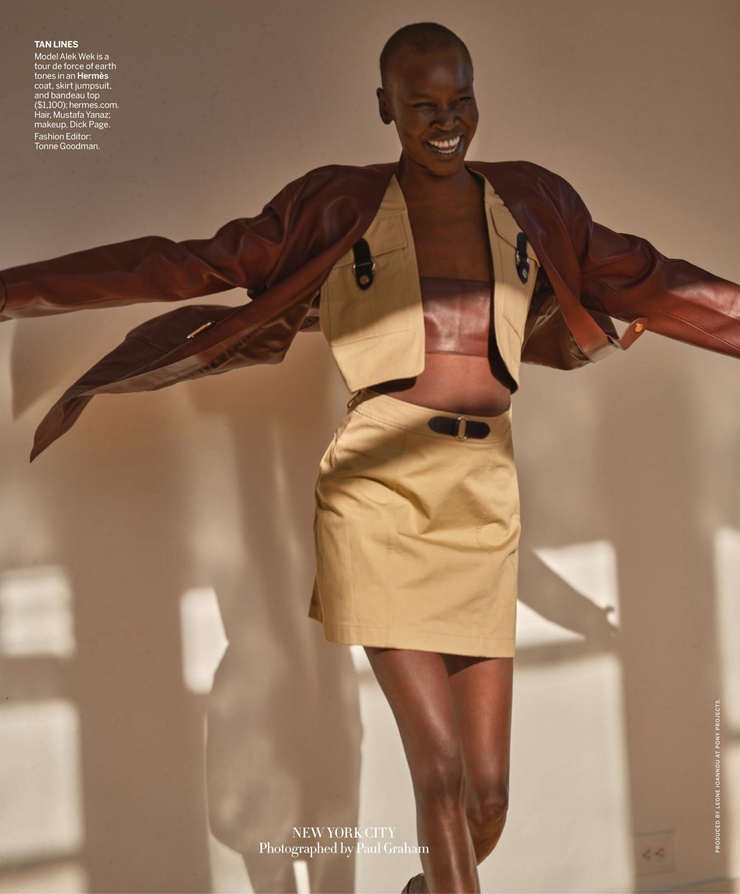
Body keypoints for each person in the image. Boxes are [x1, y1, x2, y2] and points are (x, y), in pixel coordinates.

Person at [2, 21, 740, 894]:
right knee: (439, 777)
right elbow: (184, 265)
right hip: (376, 494)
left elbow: (659, 278)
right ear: (384, 106)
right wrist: (18, 289)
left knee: (488, 802)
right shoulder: (333, 205)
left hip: (484, 493)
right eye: (422, 104)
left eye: (460, 99)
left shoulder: (535, 202)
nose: (445, 120)